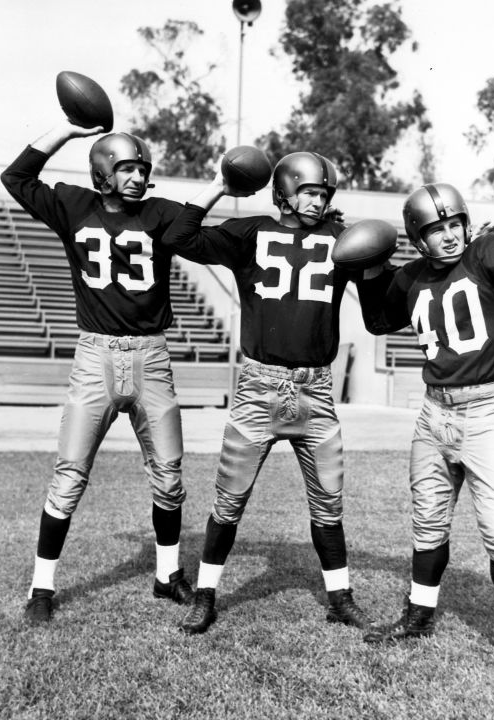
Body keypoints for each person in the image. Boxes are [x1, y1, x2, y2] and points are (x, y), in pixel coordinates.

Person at [355, 182, 494, 679]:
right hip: (434, 413)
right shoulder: (411, 278)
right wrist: (365, 270)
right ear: (418, 237)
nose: (449, 236)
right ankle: (419, 615)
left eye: (454, 224)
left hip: (488, 410)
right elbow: (377, 320)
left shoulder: (486, 250)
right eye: (435, 229)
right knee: (427, 520)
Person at [162, 152, 372, 635]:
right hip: (259, 387)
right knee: (228, 500)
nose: (319, 201)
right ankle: (206, 595)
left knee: (329, 502)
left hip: (316, 391)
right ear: (284, 192)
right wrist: (220, 183)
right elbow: (177, 236)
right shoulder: (252, 231)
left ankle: (340, 598)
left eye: (324, 193)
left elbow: (382, 300)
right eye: (311, 191)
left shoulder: (340, 239)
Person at [0, 122, 200, 623]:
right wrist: (65, 130)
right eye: (127, 168)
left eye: (142, 170)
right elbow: (16, 177)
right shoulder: (73, 204)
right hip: (94, 357)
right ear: (103, 173)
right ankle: (41, 588)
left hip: (152, 355)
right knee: (69, 475)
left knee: (170, 474)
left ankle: (167, 575)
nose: (137, 177)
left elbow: (200, 236)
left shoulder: (160, 213)